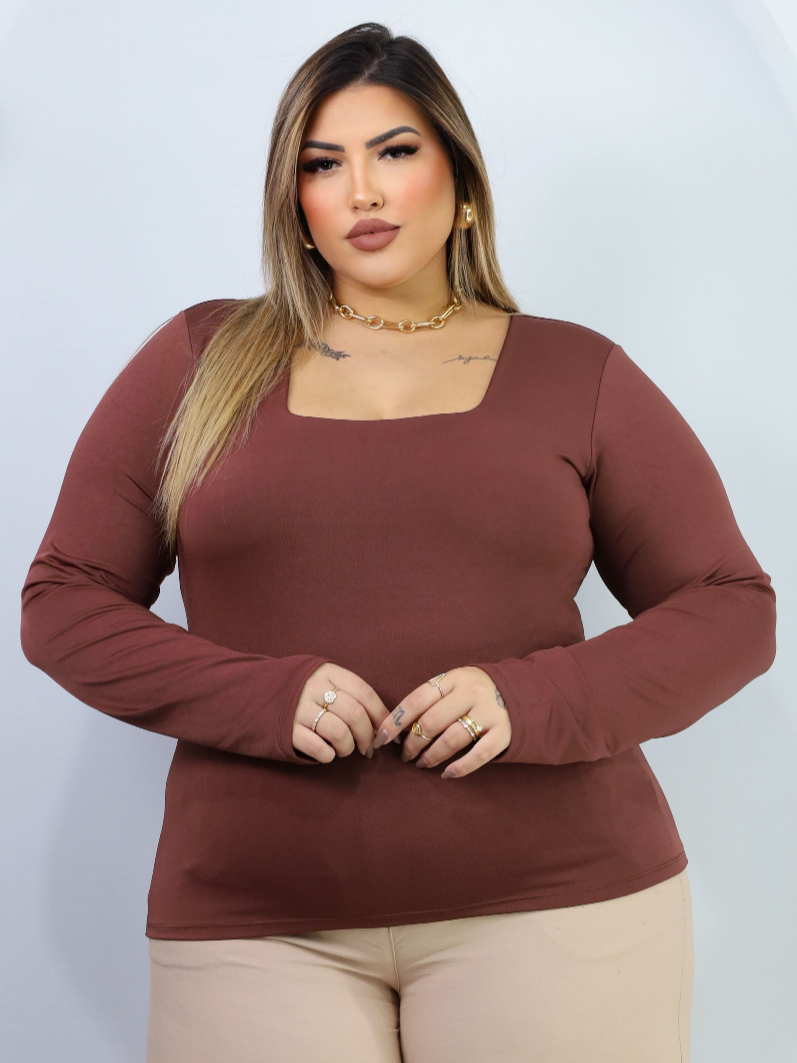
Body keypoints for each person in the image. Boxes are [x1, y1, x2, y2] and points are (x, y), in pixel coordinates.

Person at [20, 21, 776, 1063]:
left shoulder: (575, 372)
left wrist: (532, 700)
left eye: (394, 151)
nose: (362, 192)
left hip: (558, 904)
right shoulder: (201, 360)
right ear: (294, 201)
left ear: (460, 183)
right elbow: (64, 600)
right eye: (323, 164)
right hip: (252, 921)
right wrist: (259, 696)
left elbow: (729, 605)